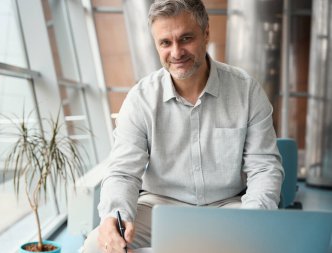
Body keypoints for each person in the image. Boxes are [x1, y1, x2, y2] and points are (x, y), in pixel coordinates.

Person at [83, 0, 284, 252]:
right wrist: (115, 216)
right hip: (159, 208)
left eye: (186, 38)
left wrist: (252, 221)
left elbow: (264, 168)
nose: (176, 52)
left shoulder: (246, 91)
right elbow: (123, 172)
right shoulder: (140, 99)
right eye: (165, 43)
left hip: (228, 207)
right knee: (95, 247)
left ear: (206, 33)